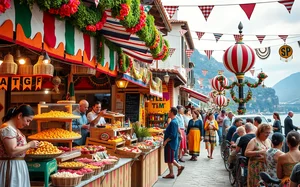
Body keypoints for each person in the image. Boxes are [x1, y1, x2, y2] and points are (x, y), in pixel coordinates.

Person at [0, 105, 39, 187]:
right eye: (27, 120)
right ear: (20, 115)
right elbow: (11, 151)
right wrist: (29, 145)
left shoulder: (14, 129)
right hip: (11, 167)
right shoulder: (8, 129)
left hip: (17, 165)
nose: (28, 124)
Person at [163, 107, 185, 179]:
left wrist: (166, 141)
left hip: (170, 143)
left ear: (172, 112)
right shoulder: (174, 121)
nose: (168, 112)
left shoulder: (173, 122)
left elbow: (173, 134)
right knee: (170, 158)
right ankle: (172, 173)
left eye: (169, 111)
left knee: (170, 158)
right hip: (171, 143)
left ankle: (178, 167)